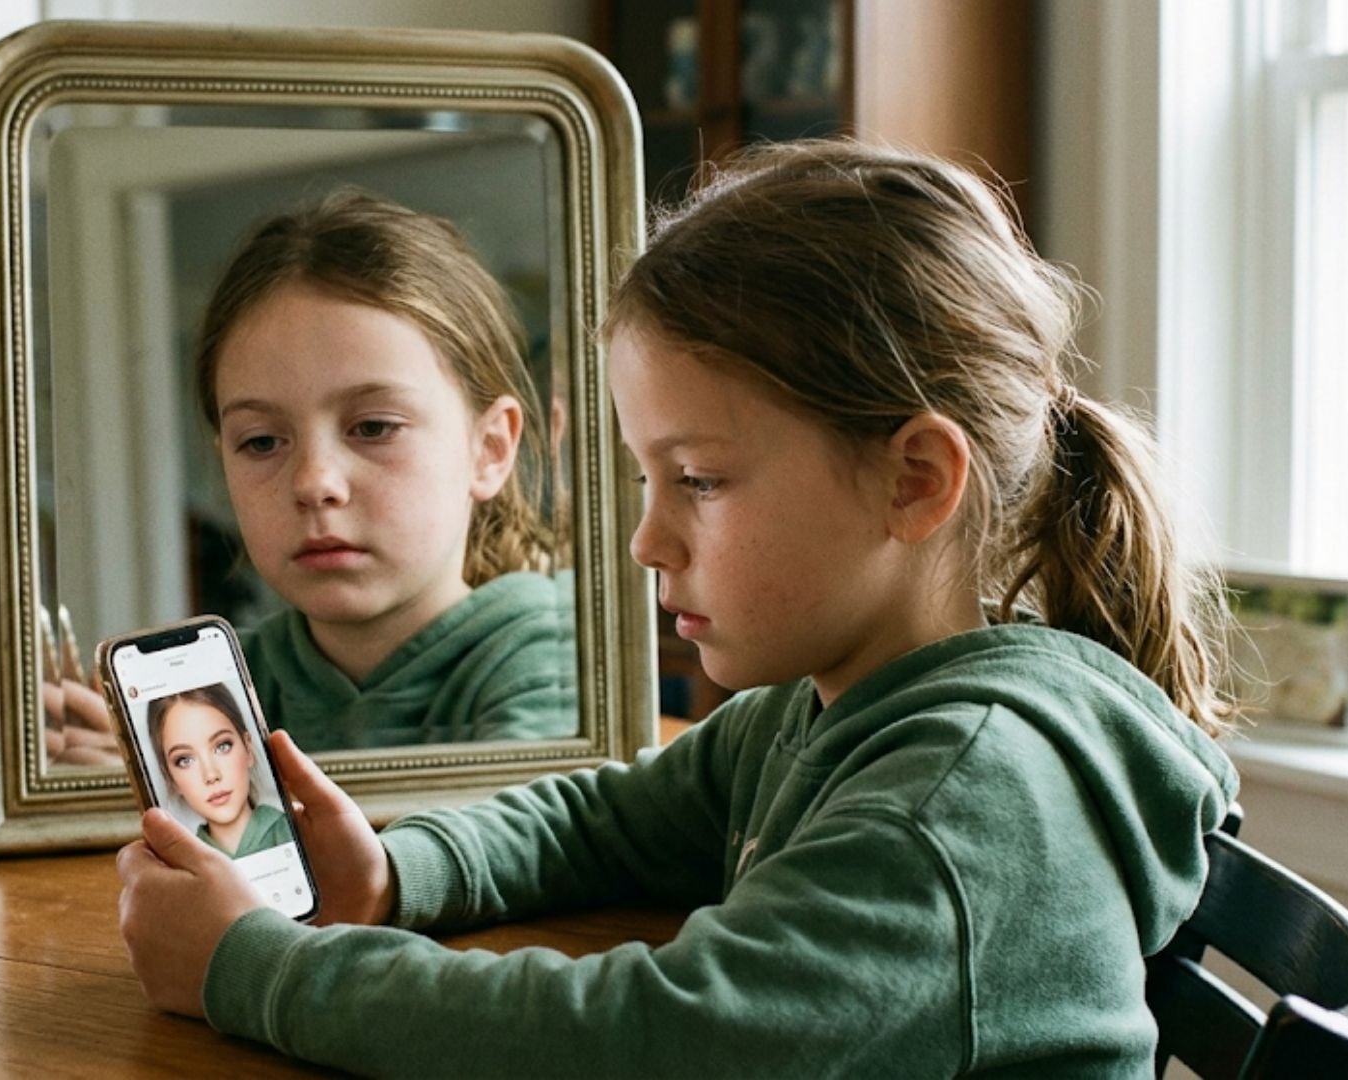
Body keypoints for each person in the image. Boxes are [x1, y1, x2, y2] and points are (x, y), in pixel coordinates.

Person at [116, 140, 1242, 1076]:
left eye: (697, 480)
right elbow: (602, 820)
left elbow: (650, 1041)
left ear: (913, 481)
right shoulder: (832, 708)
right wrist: (404, 871)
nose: (649, 539)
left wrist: (255, 969)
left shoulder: (957, 800)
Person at [194, 190, 575, 751]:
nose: (314, 483)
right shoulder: (217, 690)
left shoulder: (554, 654)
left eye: (373, 427)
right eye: (262, 440)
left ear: (490, 449)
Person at [147, 683, 291, 859]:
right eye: (184, 760)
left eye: (222, 746)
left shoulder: (293, 832)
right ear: (169, 777)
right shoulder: (183, 863)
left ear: (248, 749)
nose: (211, 775)